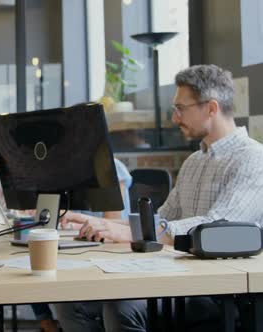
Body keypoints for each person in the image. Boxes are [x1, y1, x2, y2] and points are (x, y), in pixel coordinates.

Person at [55, 64, 263, 331]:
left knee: (122, 308)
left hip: (217, 289)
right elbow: (161, 219)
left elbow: (215, 228)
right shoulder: (194, 162)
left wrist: (134, 232)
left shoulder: (253, 160)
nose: (175, 118)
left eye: (180, 108)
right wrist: (98, 224)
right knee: (71, 302)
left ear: (211, 108)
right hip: (179, 274)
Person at [31, 158, 132, 332]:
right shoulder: (60, 169)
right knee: (34, 259)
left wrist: (75, 224)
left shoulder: (111, 167)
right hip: (78, 250)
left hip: (106, 255)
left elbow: (112, 225)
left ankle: (47, 323)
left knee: (64, 299)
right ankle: (46, 321)